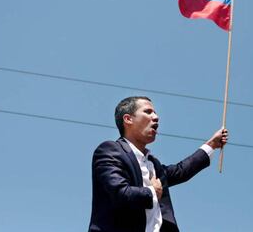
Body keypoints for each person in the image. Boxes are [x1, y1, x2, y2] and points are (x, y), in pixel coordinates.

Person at [88, 96, 228, 232]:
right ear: (128, 119)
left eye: (155, 112)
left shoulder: (153, 164)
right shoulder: (110, 150)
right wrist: (152, 192)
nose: (156, 117)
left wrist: (212, 144)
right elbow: (119, 193)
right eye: (148, 112)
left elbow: (181, 171)